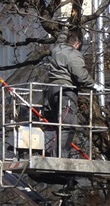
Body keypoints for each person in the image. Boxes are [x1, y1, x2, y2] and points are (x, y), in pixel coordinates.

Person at [44, 28, 103, 158]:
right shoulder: (73, 54)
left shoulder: (57, 49)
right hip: (66, 92)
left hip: (51, 91)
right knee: (67, 126)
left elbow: (60, 38)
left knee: (56, 125)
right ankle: (60, 157)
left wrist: (65, 29)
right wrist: (93, 85)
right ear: (77, 43)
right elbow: (80, 75)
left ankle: (52, 155)